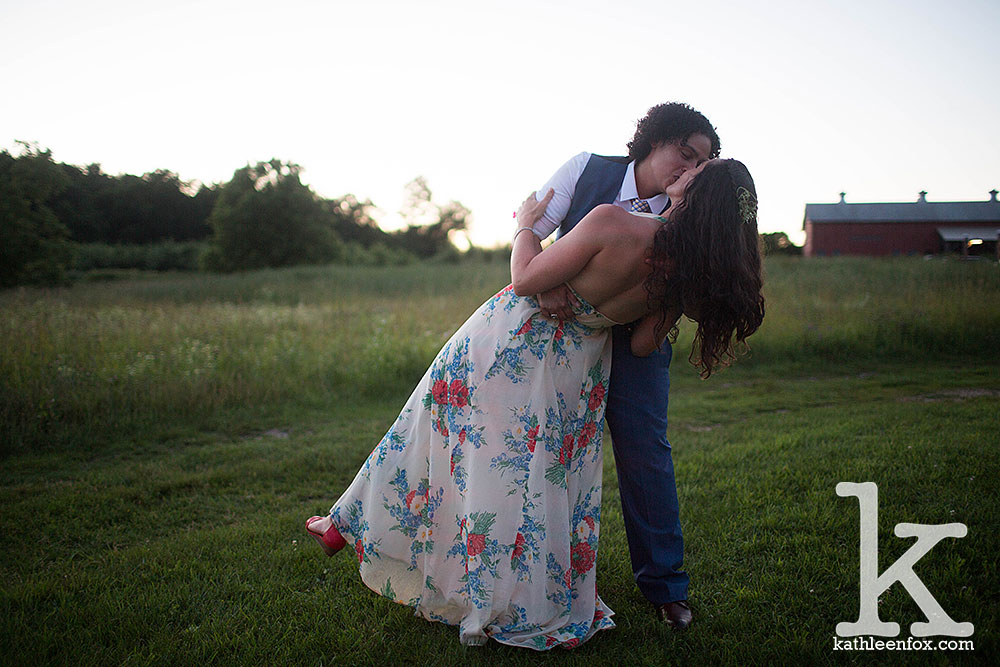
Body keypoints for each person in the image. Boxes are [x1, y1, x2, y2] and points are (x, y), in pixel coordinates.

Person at [306, 157, 764, 650]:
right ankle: (522, 590)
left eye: (699, 169)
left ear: (697, 194)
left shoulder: (613, 221)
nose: (688, 168)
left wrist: (525, 225)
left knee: (433, 430)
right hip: (577, 372)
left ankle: (352, 523)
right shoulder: (684, 275)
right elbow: (640, 346)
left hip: (515, 343)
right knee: (537, 478)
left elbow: (525, 278)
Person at [529, 102, 720, 629]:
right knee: (543, 451)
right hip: (562, 338)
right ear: (654, 140)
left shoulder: (689, 212)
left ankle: (665, 588)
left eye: (700, 163)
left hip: (638, 345)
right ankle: (541, 575)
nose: (689, 169)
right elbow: (530, 229)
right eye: (685, 153)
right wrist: (546, 282)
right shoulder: (585, 170)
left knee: (645, 455)